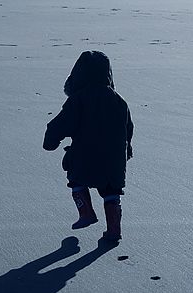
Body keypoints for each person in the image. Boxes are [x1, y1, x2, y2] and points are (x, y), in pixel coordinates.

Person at [43, 50, 133, 241]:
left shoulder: (78, 99)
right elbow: (128, 128)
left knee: (76, 179)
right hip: (114, 159)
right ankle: (114, 229)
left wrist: (51, 140)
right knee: (112, 191)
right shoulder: (119, 101)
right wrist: (128, 148)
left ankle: (86, 213)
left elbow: (62, 123)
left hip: (85, 154)